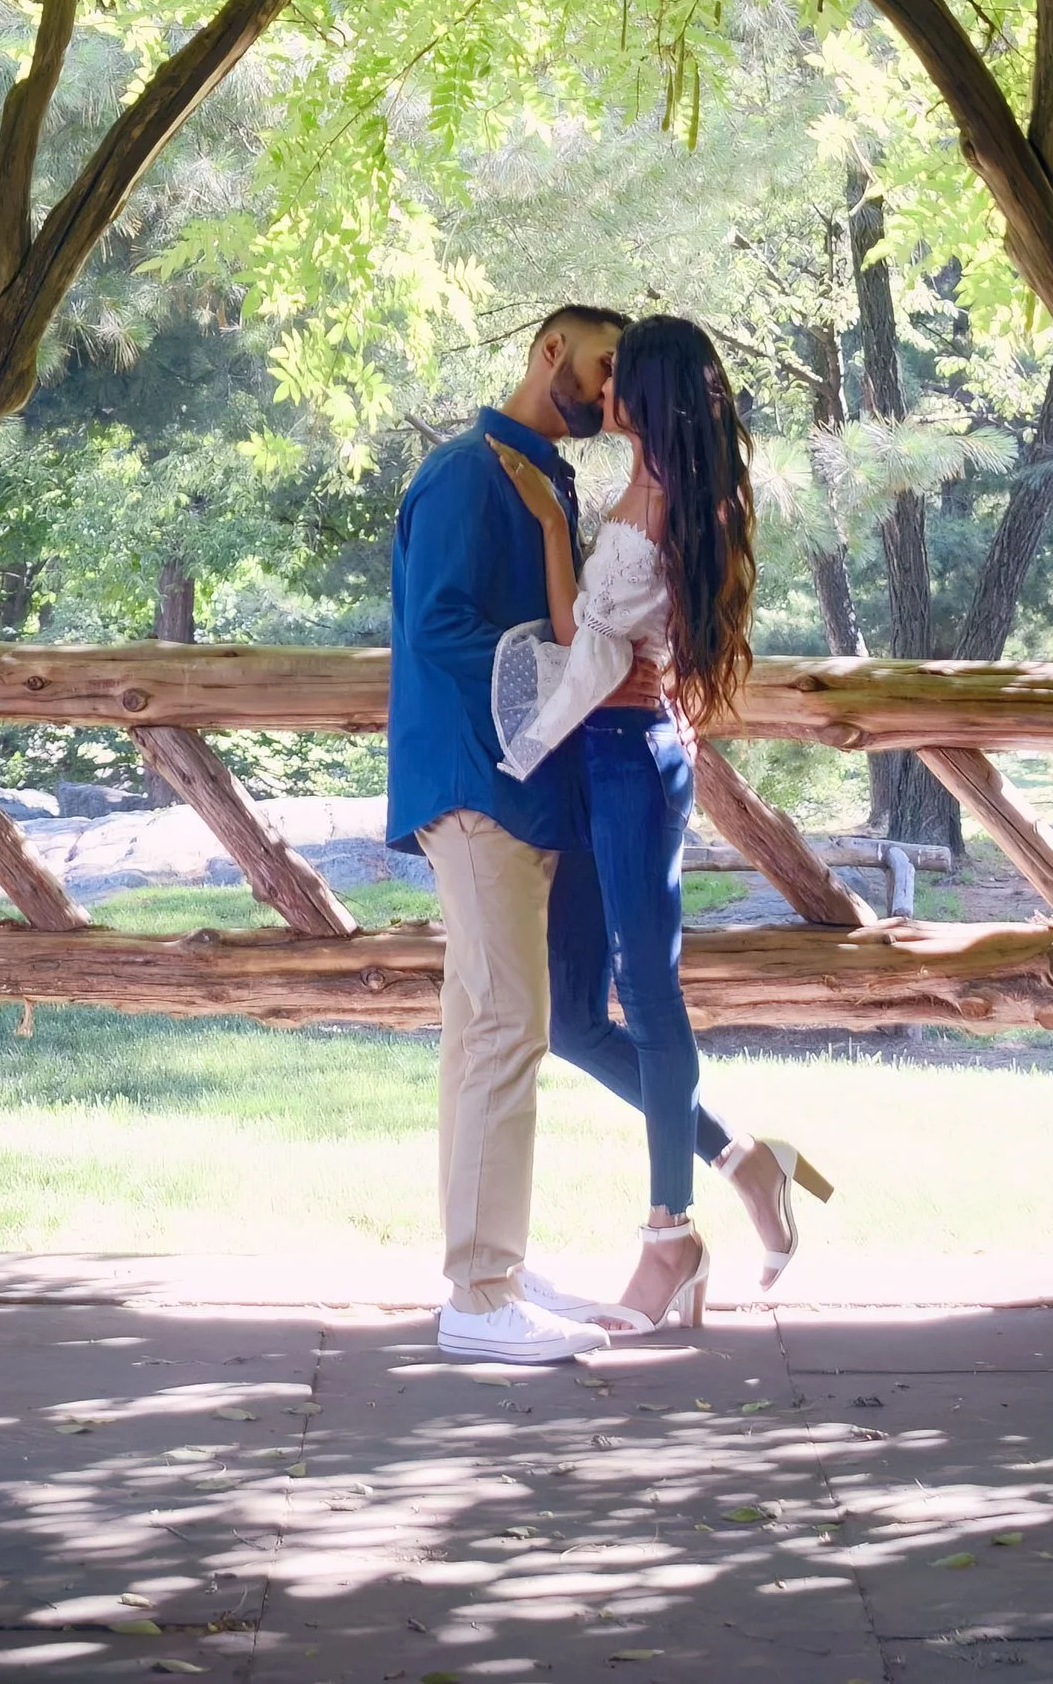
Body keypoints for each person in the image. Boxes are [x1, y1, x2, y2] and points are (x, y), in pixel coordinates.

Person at [498, 313, 831, 1332]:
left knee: (646, 999)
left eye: (615, 380)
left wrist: (553, 532)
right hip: (615, 761)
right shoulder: (658, 495)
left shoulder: (657, 505)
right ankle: (742, 1160)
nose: (600, 396)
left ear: (644, 397)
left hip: (633, 762)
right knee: (571, 1016)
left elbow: (580, 642)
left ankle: (668, 1239)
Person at [387, 304, 628, 1364]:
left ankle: (495, 1271)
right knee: (503, 1032)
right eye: (602, 368)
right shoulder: (462, 474)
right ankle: (478, 1299)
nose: (613, 394)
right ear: (549, 355)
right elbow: (436, 627)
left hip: (521, 792)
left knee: (490, 1033)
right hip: (478, 790)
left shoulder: (547, 480)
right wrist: (564, 674)